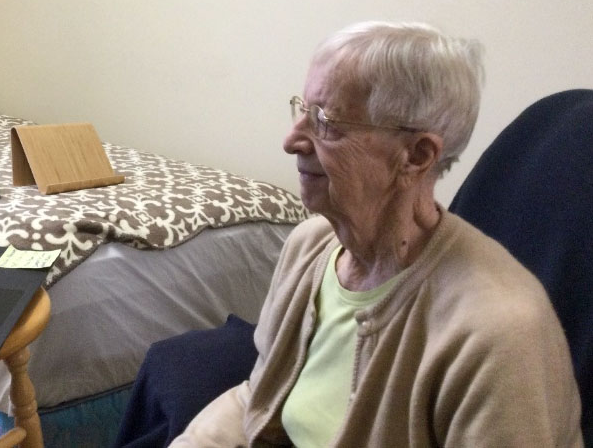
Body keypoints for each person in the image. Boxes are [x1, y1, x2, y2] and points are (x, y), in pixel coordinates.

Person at [169, 22, 582, 446]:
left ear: (417, 155)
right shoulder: (309, 247)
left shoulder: (497, 334)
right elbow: (258, 399)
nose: (292, 141)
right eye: (302, 109)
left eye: (326, 122)